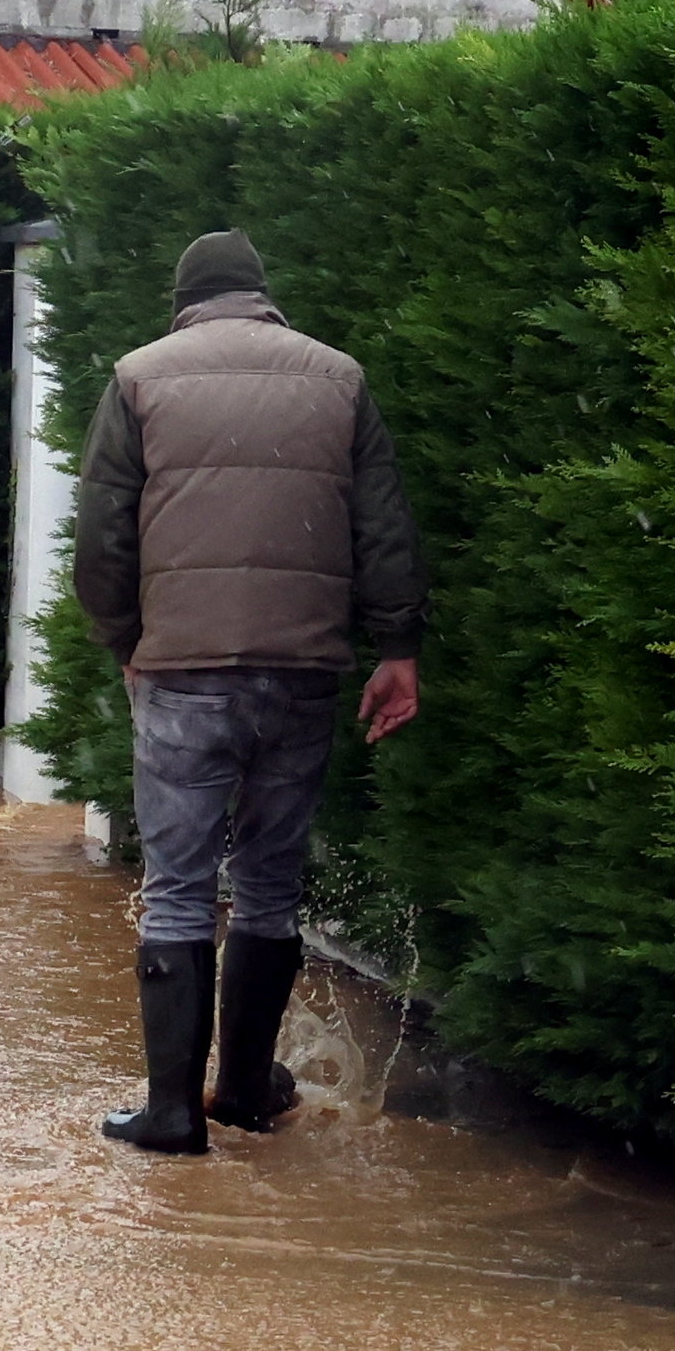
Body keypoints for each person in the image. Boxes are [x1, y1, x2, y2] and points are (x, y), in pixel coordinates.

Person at [70, 228, 424, 1156]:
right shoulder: (338, 378)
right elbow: (383, 526)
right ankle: (246, 1093)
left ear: (183, 301)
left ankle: (173, 1114)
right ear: (263, 294)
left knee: (179, 889)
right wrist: (398, 647)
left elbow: (103, 535)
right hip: (303, 670)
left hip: (182, 670)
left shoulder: (140, 376)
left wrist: (125, 642)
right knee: (269, 887)